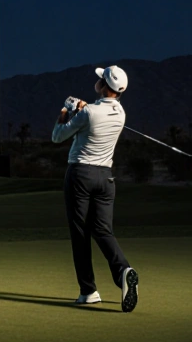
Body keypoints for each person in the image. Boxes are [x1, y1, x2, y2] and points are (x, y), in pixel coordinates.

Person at [50, 65, 139, 313]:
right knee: (102, 230)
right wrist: (84, 109)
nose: (97, 81)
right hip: (106, 178)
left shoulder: (88, 112)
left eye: (100, 80)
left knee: (80, 232)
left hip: (80, 175)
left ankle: (88, 291)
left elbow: (57, 137)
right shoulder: (121, 113)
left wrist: (65, 112)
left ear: (105, 86)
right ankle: (123, 271)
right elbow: (95, 115)